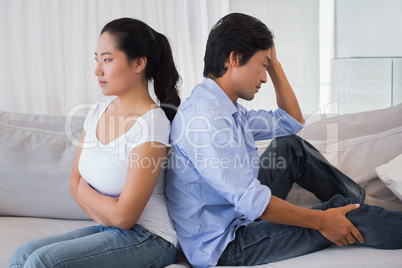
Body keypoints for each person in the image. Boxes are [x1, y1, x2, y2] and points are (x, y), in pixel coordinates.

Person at [165, 13, 402, 267]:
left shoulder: (225, 108)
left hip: (237, 216)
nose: (265, 78)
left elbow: (290, 121)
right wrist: (323, 221)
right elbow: (255, 202)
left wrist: (274, 62)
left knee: (290, 147)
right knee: (339, 214)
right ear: (235, 58)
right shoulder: (206, 120)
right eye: (263, 66)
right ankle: (366, 212)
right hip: (226, 245)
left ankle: (366, 203)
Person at [10, 17, 181, 268]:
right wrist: (111, 208)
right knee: (23, 255)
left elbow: (125, 217)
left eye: (108, 59)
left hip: (150, 239)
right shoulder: (99, 110)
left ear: (139, 63)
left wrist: (100, 202)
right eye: (97, 59)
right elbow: (74, 183)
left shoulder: (152, 125)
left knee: (42, 262)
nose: (97, 70)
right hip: (109, 229)